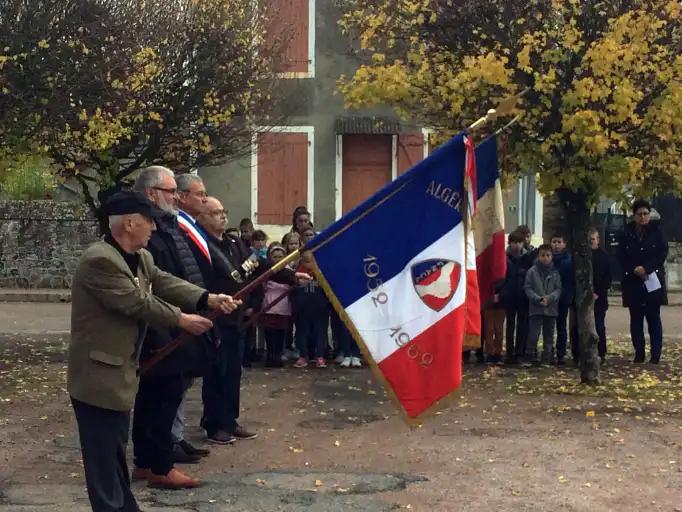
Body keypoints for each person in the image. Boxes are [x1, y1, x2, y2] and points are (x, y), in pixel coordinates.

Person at [68, 191, 239, 510]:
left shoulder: (141, 257)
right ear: (130, 223)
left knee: (115, 450)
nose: (155, 228)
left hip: (119, 373)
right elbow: (137, 302)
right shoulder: (100, 260)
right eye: (149, 221)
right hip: (97, 375)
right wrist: (183, 319)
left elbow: (165, 282)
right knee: (103, 456)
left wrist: (207, 299)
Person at [130, 167, 209, 489]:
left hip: (178, 317)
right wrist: (180, 316)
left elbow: (177, 275)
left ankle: (148, 461)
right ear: (151, 193)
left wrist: (205, 298)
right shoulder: (145, 229)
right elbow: (155, 282)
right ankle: (159, 465)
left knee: (161, 396)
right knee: (161, 396)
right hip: (161, 326)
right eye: (171, 190)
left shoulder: (168, 224)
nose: (176, 196)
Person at [196, 197, 258, 445]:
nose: (222, 216)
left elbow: (255, 265)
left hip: (236, 316)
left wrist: (288, 275)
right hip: (215, 315)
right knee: (216, 371)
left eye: (224, 211)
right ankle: (214, 424)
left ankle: (230, 420)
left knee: (233, 371)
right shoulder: (203, 245)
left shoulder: (234, 242)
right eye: (215, 213)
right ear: (202, 217)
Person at [617, 199, 668, 364]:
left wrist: (646, 267)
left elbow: (662, 253)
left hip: (652, 278)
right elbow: (621, 255)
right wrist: (634, 268)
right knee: (636, 319)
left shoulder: (657, 231)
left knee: (654, 318)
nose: (643, 217)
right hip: (633, 280)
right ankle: (639, 353)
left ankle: (655, 355)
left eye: (646, 214)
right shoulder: (626, 232)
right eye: (640, 214)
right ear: (634, 215)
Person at [256, 243, 310, 367]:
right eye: (275, 256)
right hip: (269, 305)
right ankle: (270, 357)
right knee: (269, 334)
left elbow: (297, 284)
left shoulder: (289, 272)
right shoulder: (267, 271)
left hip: (284, 306)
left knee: (281, 334)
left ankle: (278, 356)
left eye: (280, 256)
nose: (278, 259)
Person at [524, 244, 562, 365]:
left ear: (551, 257)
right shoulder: (532, 271)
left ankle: (547, 357)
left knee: (549, 335)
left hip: (550, 308)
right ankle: (530, 356)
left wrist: (549, 298)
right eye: (542, 255)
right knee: (533, 334)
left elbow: (558, 289)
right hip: (536, 307)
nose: (545, 258)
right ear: (538, 256)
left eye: (548, 255)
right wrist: (537, 298)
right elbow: (528, 287)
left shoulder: (555, 272)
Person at [292, 250, 330, 368]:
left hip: (320, 308)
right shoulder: (297, 273)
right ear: (301, 261)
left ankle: (320, 356)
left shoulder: (322, 272)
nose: (309, 264)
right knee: (302, 333)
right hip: (303, 309)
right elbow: (293, 291)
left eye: (311, 260)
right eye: (306, 261)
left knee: (321, 333)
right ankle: (303, 355)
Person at [499, 230, 532, 364]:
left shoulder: (528, 258)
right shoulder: (505, 258)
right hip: (509, 295)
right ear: (509, 243)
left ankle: (520, 352)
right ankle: (509, 353)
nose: (516, 245)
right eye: (513, 242)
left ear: (523, 243)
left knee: (522, 325)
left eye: (519, 242)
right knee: (510, 325)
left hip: (523, 296)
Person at [551, 233, 576, 365]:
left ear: (564, 244)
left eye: (559, 242)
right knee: (548, 326)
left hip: (563, 297)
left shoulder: (569, 260)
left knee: (561, 325)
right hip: (548, 297)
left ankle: (561, 353)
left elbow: (569, 281)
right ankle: (548, 352)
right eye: (554, 242)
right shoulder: (546, 258)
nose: (556, 245)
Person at [589, 228, 612, 364]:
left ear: (598, 240)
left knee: (599, 326)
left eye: (592, 239)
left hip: (599, 298)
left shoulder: (604, 256)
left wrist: (598, 293)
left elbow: (607, 278)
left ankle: (601, 353)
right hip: (583, 297)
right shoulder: (581, 255)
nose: (590, 242)